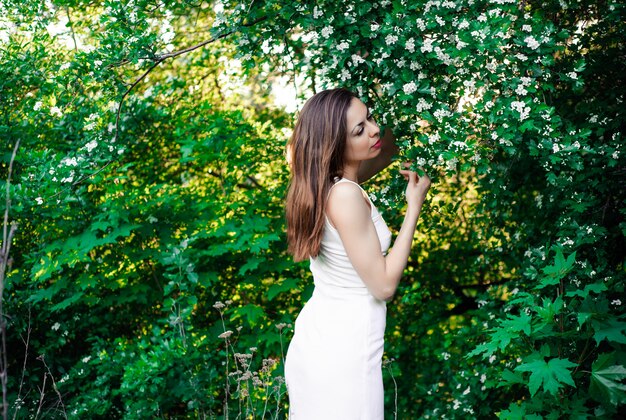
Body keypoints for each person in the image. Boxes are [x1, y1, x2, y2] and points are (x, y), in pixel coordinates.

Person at [284, 88, 431, 419]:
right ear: (335, 146)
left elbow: (386, 147)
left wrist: (422, 92)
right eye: (359, 130)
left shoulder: (322, 185)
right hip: (345, 353)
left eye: (370, 117)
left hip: (319, 340)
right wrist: (413, 208)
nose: (374, 129)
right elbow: (383, 286)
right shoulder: (345, 196)